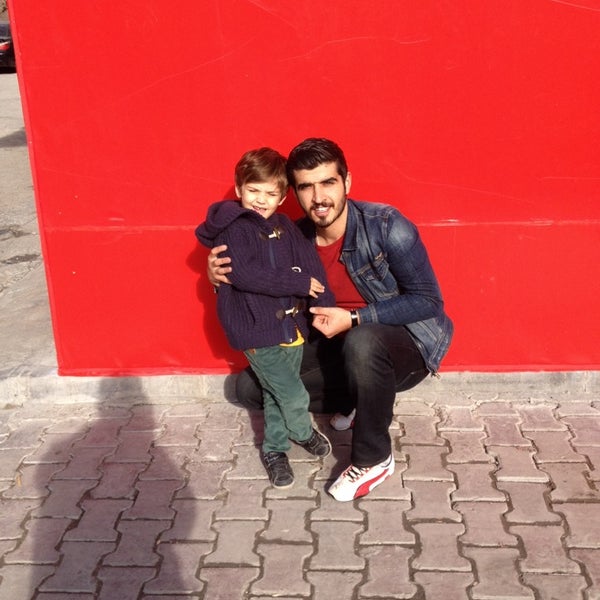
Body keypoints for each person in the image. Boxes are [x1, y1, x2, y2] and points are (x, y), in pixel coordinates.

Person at [207, 139, 453, 501]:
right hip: (335, 342)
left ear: (347, 182)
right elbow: (258, 280)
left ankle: (374, 458)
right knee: (250, 389)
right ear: (294, 193)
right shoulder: (292, 236)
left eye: (328, 183)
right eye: (306, 187)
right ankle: (361, 398)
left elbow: (428, 301)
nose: (318, 198)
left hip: (402, 345)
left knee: (363, 341)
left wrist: (354, 317)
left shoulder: (386, 225)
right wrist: (219, 279)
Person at [195, 147, 335, 490]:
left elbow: (312, 266)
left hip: (291, 328)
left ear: (283, 196)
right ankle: (302, 431)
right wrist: (296, 283)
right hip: (256, 330)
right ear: (239, 188)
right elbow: (243, 274)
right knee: (293, 394)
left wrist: (325, 305)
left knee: (275, 394)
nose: (261, 200)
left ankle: (274, 450)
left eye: (271, 194)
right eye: (253, 190)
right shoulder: (233, 229)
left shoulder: (285, 226)